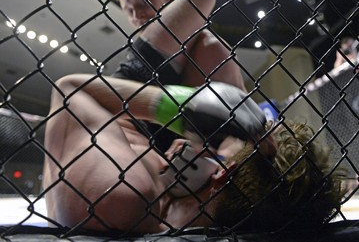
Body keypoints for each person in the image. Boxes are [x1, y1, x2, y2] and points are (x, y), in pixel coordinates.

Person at [43, 74, 347, 234]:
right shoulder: (209, 209)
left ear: (222, 174)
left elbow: (69, 88)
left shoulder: (124, 193)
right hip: (134, 142)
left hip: (120, 108)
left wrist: (178, 106)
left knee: (203, 6)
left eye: (228, 155)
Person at [106, 0, 247, 153]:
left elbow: (236, 132)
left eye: (143, 4)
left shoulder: (208, 46)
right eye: (129, 10)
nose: (136, 16)